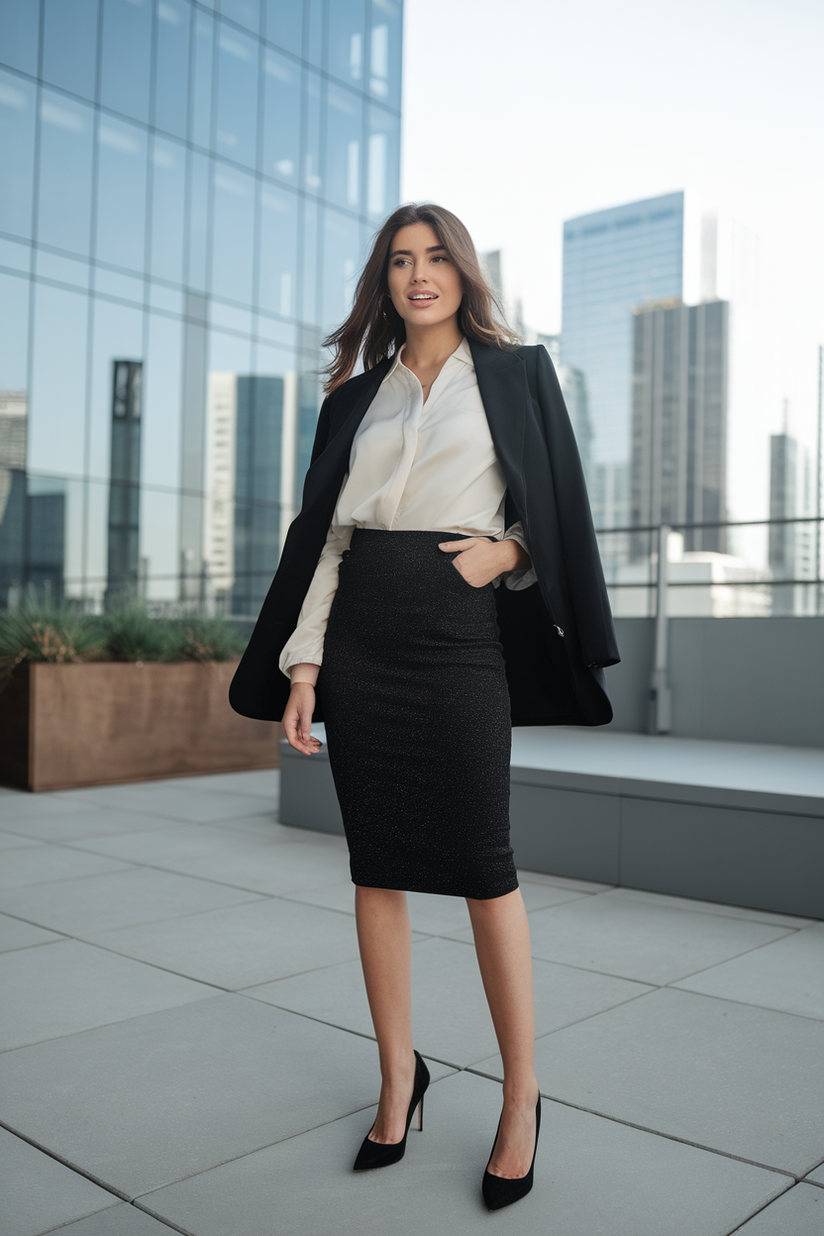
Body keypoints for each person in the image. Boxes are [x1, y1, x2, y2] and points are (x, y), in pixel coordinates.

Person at [229, 203, 619, 1211]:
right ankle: (398, 1077)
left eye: (434, 256)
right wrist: (304, 667)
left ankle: (521, 1096)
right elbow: (325, 541)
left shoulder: (520, 373)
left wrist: (507, 552)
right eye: (399, 260)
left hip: (456, 643)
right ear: (383, 280)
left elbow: (561, 512)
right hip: (358, 642)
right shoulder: (351, 400)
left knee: (484, 868)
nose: (417, 274)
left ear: (462, 270)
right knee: (379, 869)